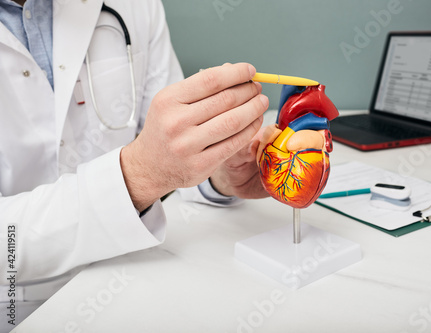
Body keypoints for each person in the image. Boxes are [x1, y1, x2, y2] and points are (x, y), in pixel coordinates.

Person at [0, 0, 269, 328]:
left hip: (132, 280)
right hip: (14, 307)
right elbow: (151, 165)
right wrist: (137, 176)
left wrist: (220, 173)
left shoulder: (135, 5)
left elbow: (169, 151)